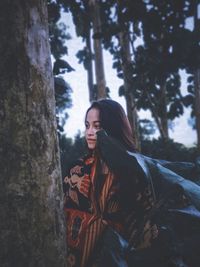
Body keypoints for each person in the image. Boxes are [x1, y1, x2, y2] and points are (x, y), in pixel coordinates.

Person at [63, 99, 158, 267]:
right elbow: (64, 216)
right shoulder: (77, 169)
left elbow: (144, 223)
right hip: (76, 257)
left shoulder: (134, 170)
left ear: (113, 128)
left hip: (118, 257)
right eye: (87, 125)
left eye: (97, 126)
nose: (90, 132)